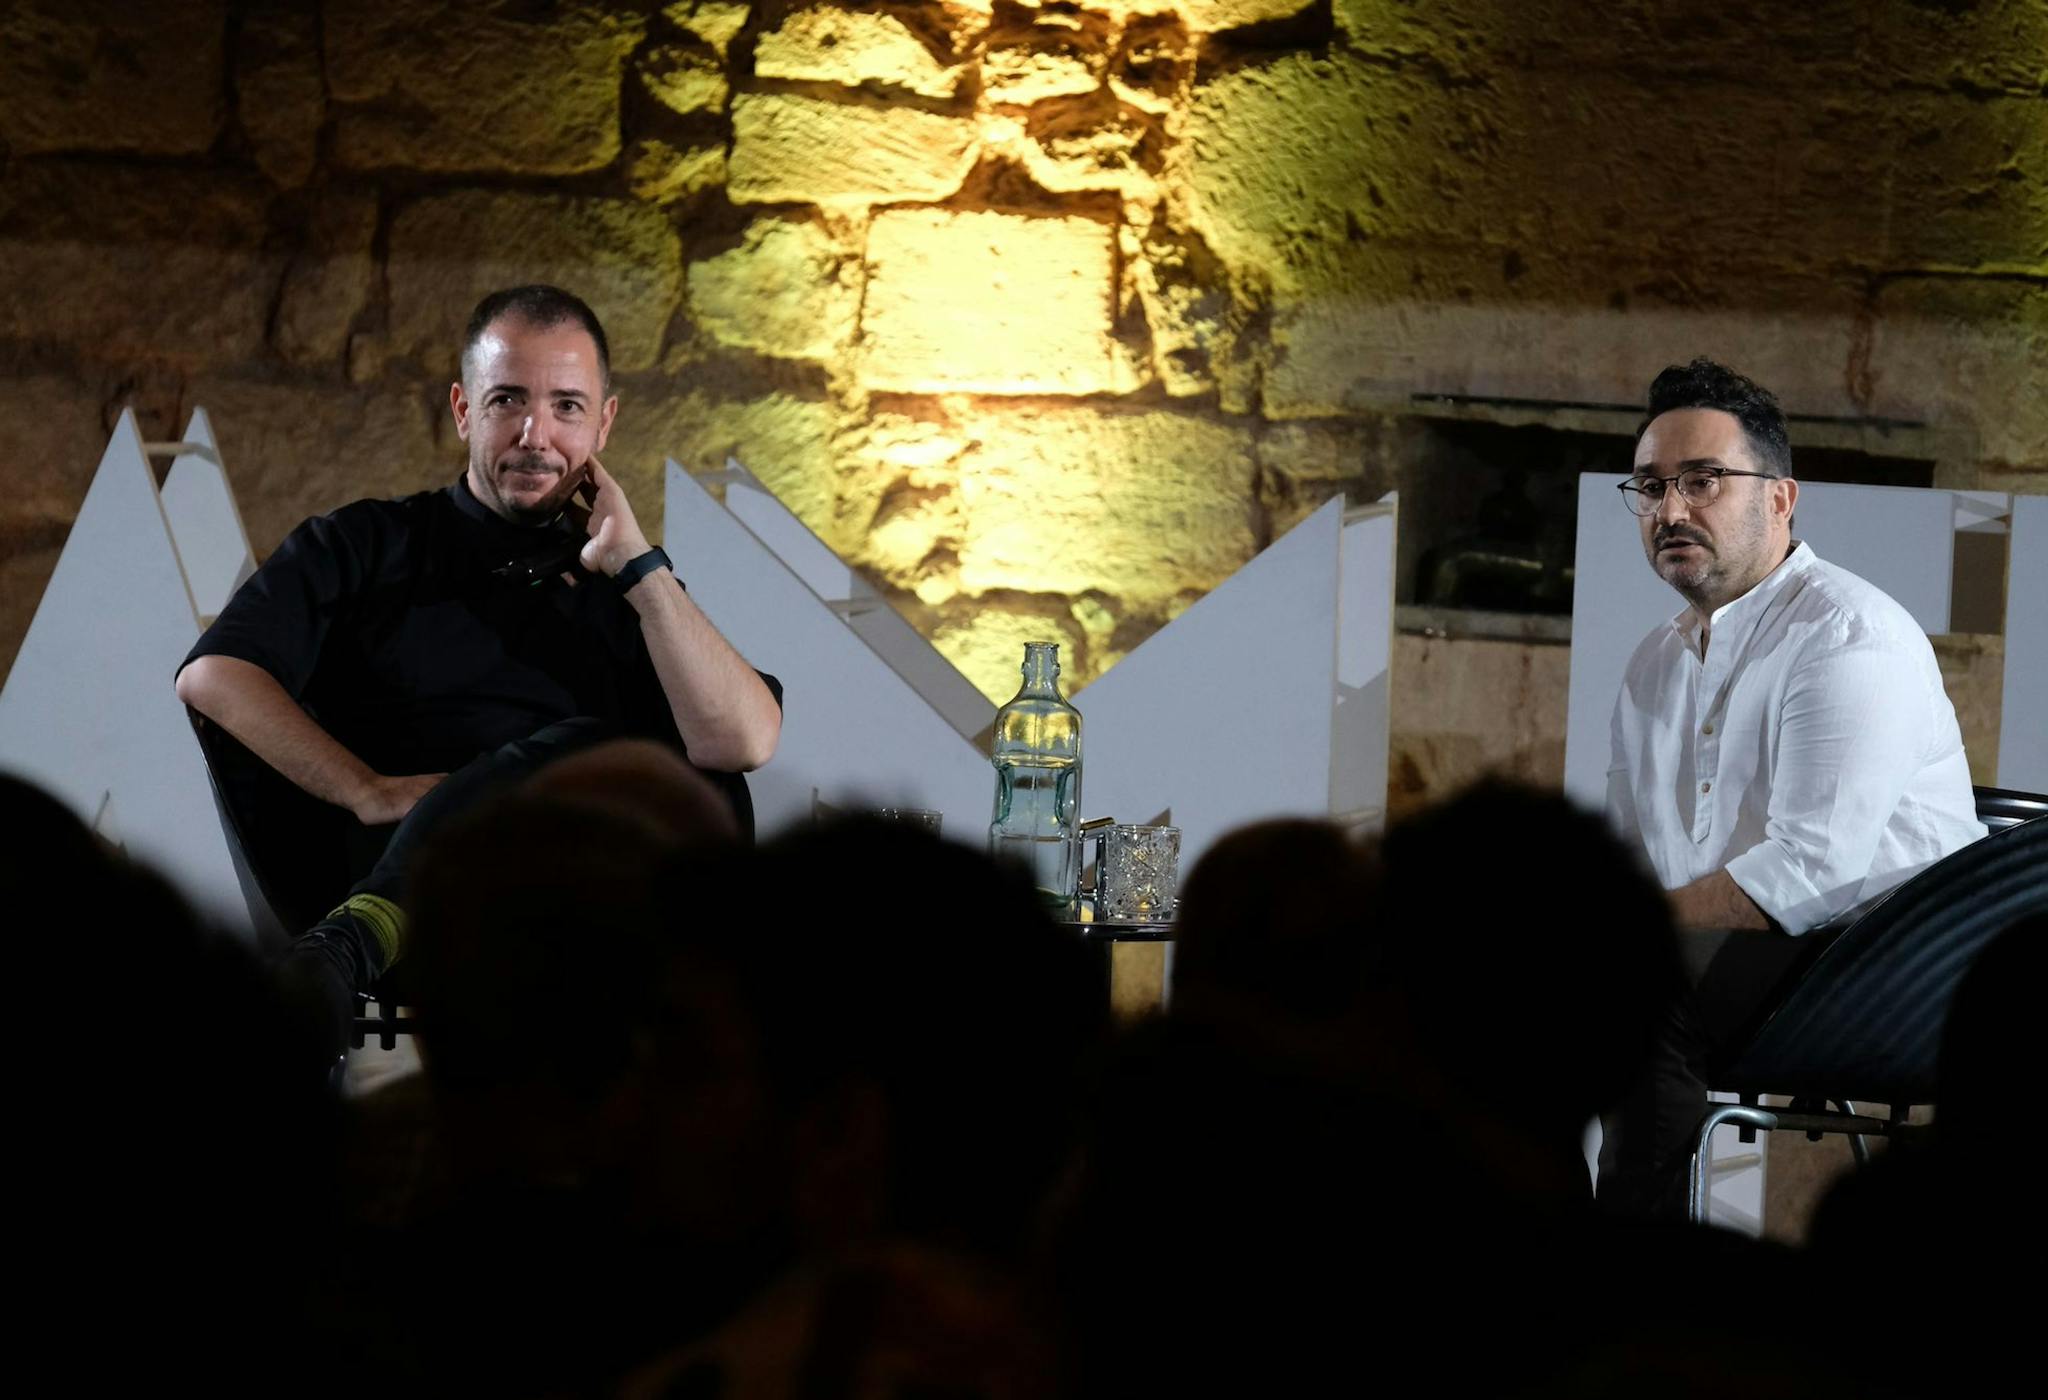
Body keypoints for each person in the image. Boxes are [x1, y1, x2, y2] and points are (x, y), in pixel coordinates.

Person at [174, 284, 782, 1060]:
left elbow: (747, 741)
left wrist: (640, 566)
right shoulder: (365, 544)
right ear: (464, 410)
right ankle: (365, 930)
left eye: (567, 407)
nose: (536, 435)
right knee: (616, 752)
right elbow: (213, 675)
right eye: (508, 401)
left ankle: (359, 941)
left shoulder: (626, 588)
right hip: (430, 916)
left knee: (675, 767)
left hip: (593, 928)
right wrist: (367, 788)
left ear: (605, 422)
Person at [1598, 356, 1982, 1216]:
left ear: (1780, 498)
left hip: (1882, 967)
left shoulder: (1849, 635)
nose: (1670, 511)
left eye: (1702, 481)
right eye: (1652, 487)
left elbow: (1810, 870)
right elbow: (1629, 858)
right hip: (1750, 961)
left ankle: (1625, 1299)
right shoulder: (1654, 662)